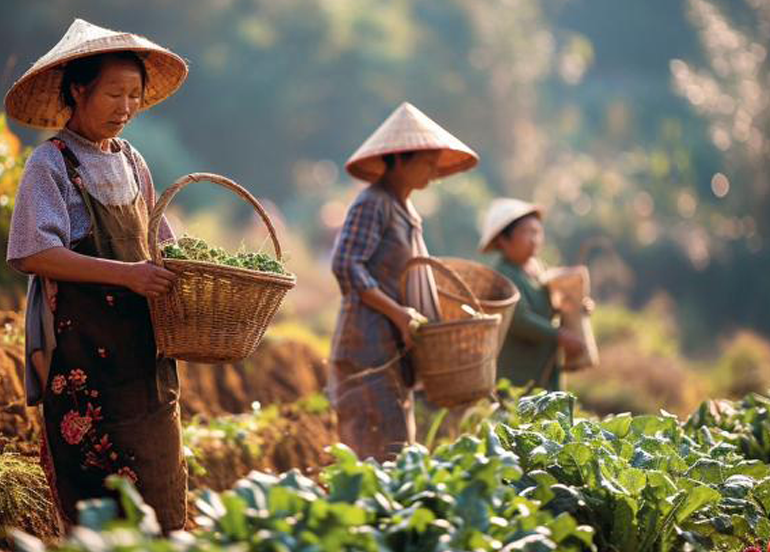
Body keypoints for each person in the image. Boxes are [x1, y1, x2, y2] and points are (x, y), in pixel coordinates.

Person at [4, 19, 188, 531]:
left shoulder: (132, 160)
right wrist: (127, 275)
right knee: (100, 511)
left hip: (147, 364)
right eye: (113, 94)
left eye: (134, 95)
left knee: (163, 497)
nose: (125, 108)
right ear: (78, 90)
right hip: (87, 364)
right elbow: (32, 252)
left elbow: (163, 244)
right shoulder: (52, 162)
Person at [330, 102, 478, 461]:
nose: (432, 168)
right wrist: (398, 313)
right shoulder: (373, 203)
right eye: (425, 160)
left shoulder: (407, 209)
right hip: (367, 348)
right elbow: (347, 265)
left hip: (393, 352)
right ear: (398, 159)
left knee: (398, 453)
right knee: (375, 456)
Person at [478, 198, 585, 391]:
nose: (534, 239)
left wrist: (578, 306)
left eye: (537, 232)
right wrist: (560, 336)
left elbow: (554, 304)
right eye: (527, 232)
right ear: (504, 240)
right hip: (517, 375)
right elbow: (519, 320)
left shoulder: (538, 269)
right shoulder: (501, 276)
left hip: (545, 369)